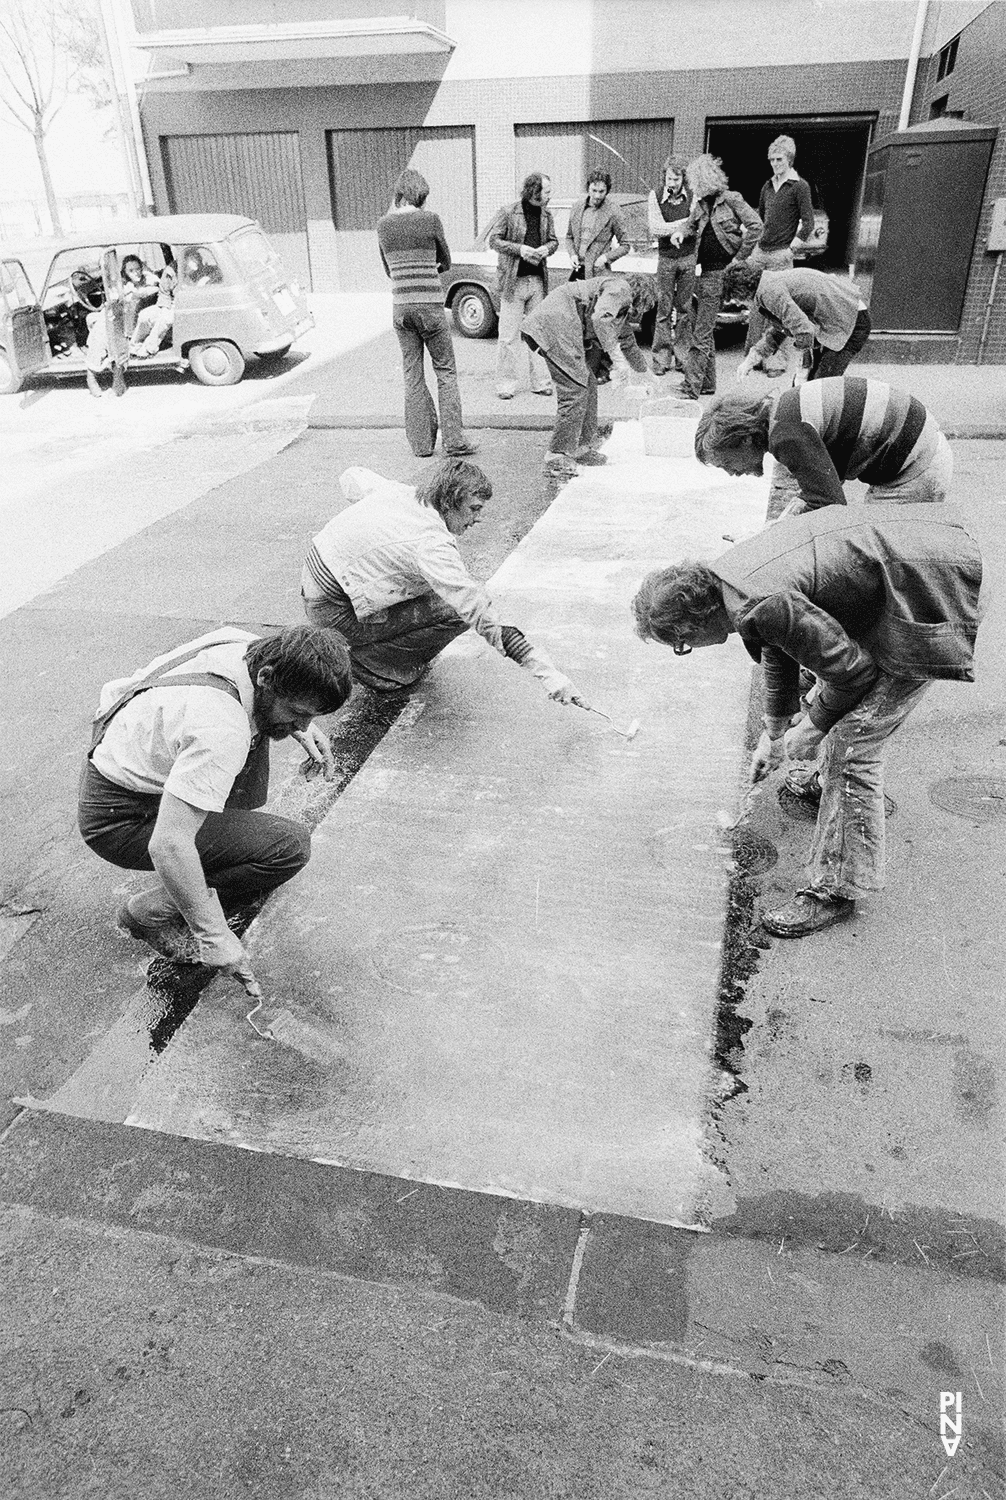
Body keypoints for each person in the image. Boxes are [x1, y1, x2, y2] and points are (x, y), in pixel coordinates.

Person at [631, 504, 983, 936]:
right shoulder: (731, 581)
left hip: (927, 586)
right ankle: (827, 791)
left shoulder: (761, 600)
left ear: (690, 627)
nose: (688, 649)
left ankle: (835, 890)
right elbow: (779, 641)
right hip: (914, 559)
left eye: (681, 644)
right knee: (832, 714)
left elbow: (853, 674)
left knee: (850, 745)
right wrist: (775, 729)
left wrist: (813, 727)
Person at [78, 625, 351, 991]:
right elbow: (169, 844)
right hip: (119, 818)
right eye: (298, 712)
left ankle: (198, 858)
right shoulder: (222, 730)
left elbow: (260, 706)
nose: (304, 725)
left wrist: (297, 725)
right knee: (287, 847)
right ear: (267, 677)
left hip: (119, 751)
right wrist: (215, 936)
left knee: (250, 747)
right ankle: (150, 914)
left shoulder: (244, 645)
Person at [301, 459, 579, 702]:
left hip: (317, 583)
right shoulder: (431, 543)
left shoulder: (403, 493)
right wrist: (545, 672)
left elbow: (353, 476)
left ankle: (355, 645)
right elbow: (476, 610)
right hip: (334, 612)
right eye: (473, 508)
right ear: (448, 502)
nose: (477, 519)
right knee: (458, 609)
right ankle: (368, 664)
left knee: (441, 590)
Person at [694, 376, 954, 514]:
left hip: (915, 469)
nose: (731, 473)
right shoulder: (782, 408)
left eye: (726, 463)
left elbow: (829, 504)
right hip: (925, 451)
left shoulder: (785, 433)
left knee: (881, 563)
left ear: (745, 438)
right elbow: (825, 478)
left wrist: (779, 532)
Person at [377, 168, 477, 460]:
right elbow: (446, 261)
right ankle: (455, 441)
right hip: (431, 307)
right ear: (420, 195)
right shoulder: (430, 220)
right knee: (445, 371)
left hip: (401, 309)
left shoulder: (383, 225)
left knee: (412, 375)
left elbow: (387, 270)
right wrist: (431, 267)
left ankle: (421, 446)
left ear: (399, 193)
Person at [521, 273, 656, 480]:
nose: (644, 312)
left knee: (588, 383)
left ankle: (581, 447)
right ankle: (556, 455)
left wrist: (646, 373)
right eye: (647, 306)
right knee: (575, 389)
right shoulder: (620, 289)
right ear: (641, 296)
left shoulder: (621, 309)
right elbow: (599, 318)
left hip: (562, 326)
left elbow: (628, 341)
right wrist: (615, 357)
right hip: (556, 323)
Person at [669, 154, 761, 400]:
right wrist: (680, 232)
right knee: (705, 330)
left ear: (705, 179)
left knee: (700, 332)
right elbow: (690, 226)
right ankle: (707, 383)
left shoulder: (732, 199)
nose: (691, 186)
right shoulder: (701, 205)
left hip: (720, 274)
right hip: (705, 272)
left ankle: (691, 386)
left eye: (694, 181)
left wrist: (739, 259)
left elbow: (756, 226)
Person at [727, 262, 871, 381]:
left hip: (851, 321)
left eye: (735, 298)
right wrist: (752, 358)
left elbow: (804, 330)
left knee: (819, 388)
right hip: (842, 317)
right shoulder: (767, 284)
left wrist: (803, 366)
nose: (738, 304)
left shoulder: (769, 292)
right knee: (811, 387)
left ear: (742, 290)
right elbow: (782, 329)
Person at [743, 134, 816, 364]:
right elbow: (761, 217)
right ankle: (753, 355)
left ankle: (777, 360)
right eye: (772, 160)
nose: (775, 164)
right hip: (760, 251)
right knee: (755, 305)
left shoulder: (799, 186)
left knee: (779, 309)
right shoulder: (767, 185)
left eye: (779, 160)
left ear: (789, 160)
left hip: (780, 255)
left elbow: (809, 224)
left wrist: (791, 250)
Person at [488, 172, 559, 400]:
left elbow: (554, 240)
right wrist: (520, 249)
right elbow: (494, 241)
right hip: (513, 283)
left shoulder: (547, 214)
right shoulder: (508, 211)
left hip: (537, 282)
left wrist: (547, 249)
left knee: (537, 334)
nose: (549, 195)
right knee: (508, 337)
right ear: (534, 192)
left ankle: (541, 382)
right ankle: (506, 385)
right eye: (546, 191)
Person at [647, 154, 695, 376]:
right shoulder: (654, 196)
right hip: (665, 259)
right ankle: (660, 358)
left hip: (688, 258)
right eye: (669, 179)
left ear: (683, 179)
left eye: (676, 179)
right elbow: (655, 228)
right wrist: (681, 227)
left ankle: (683, 357)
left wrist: (680, 227)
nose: (672, 184)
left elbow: (695, 225)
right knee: (663, 309)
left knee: (685, 309)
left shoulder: (693, 196)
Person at [565, 169, 629, 282]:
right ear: (588, 188)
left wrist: (605, 258)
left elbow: (625, 245)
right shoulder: (577, 207)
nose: (597, 195)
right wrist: (572, 254)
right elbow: (569, 237)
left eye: (601, 191)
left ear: (607, 191)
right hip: (577, 270)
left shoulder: (613, 211)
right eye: (594, 190)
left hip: (598, 273)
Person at [130, 257, 178, 359]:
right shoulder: (172, 269)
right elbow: (164, 292)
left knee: (166, 319)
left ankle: (149, 348)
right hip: (170, 303)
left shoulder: (203, 270)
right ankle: (135, 345)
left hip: (182, 305)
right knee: (145, 315)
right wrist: (165, 307)